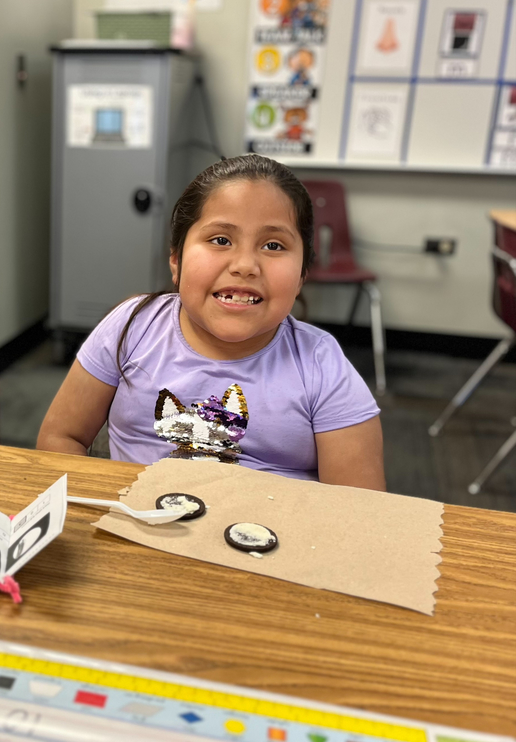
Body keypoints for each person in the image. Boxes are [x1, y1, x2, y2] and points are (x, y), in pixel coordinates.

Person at [37, 154, 385, 490]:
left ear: (301, 276)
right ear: (176, 260)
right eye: (221, 240)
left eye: (274, 245)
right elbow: (60, 436)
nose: (245, 265)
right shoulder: (133, 326)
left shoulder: (322, 366)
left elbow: (360, 509)